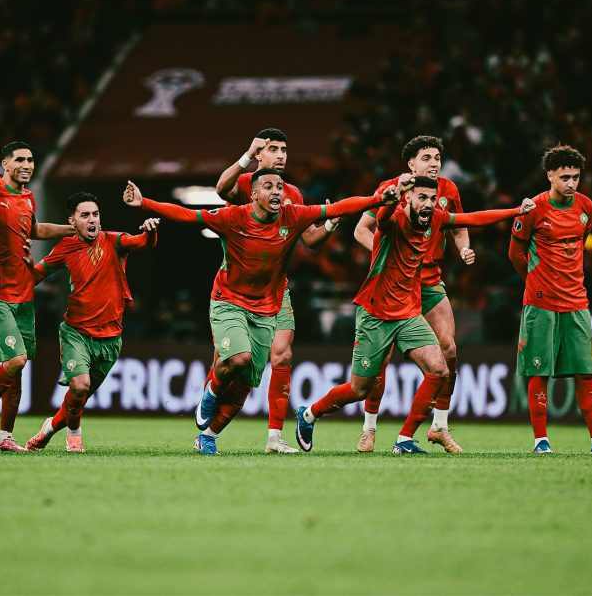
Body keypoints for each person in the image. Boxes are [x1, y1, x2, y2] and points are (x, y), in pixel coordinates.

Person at [123, 169, 398, 455]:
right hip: (229, 301)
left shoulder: (293, 216)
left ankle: (208, 436)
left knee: (244, 386)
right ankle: (212, 391)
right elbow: (187, 215)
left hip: (266, 310)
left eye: (279, 187)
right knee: (238, 358)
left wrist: (377, 199)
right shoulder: (233, 217)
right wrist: (145, 203)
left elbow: (339, 207)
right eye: (268, 186)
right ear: (253, 194)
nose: (277, 191)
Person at [296, 176, 534, 454]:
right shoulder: (394, 218)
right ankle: (309, 414)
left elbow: (472, 218)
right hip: (375, 313)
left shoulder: (436, 218)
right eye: (422, 197)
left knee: (439, 370)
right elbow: (382, 217)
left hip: (407, 313)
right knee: (359, 389)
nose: (429, 204)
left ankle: (404, 439)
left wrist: (515, 211)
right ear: (407, 198)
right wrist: (390, 197)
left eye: (432, 198)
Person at [212, 128, 337, 454]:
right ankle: (209, 405)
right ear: (259, 154)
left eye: (283, 149)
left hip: (276, 290)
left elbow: (310, 240)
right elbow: (221, 188)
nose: (280, 155)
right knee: (229, 366)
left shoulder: (291, 192)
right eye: (273, 149)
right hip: (236, 290)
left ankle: (274, 437)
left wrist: (331, 223)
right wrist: (245, 156)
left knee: (283, 354)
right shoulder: (245, 183)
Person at [352, 135, 472, 453]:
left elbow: (460, 227)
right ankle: (369, 428)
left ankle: (439, 426)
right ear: (411, 163)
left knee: (449, 349)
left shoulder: (448, 190)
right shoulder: (390, 187)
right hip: (395, 285)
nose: (434, 164)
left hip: (429, 281)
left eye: (437, 158)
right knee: (381, 360)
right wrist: (385, 255)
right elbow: (361, 229)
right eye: (426, 158)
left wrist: (464, 247)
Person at [507, 144, 592, 455]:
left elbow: (580, 243)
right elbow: (515, 253)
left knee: (586, 372)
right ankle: (541, 441)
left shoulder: (586, 206)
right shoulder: (533, 208)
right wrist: (534, 281)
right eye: (565, 177)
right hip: (541, 303)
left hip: (576, 302)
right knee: (539, 372)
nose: (571, 183)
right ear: (550, 175)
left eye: (575, 177)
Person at [25, 193, 159, 452]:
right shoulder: (64, 248)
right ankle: (74, 434)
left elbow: (142, 242)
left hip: (110, 338)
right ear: (72, 221)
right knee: (80, 385)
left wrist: (151, 232)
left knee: (79, 397)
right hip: (76, 333)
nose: (92, 220)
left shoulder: (114, 241)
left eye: (95, 214)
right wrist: (25, 269)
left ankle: (48, 429)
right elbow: (34, 277)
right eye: (85, 215)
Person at [0, 142, 73, 452]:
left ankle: (6, 437)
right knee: (16, 359)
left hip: (23, 291)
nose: (27, 164)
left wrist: (73, 230)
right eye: (20, 159)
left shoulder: (28, 197)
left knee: (16, 366)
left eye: (30, 159)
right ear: (5, 163)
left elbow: (35, 229)